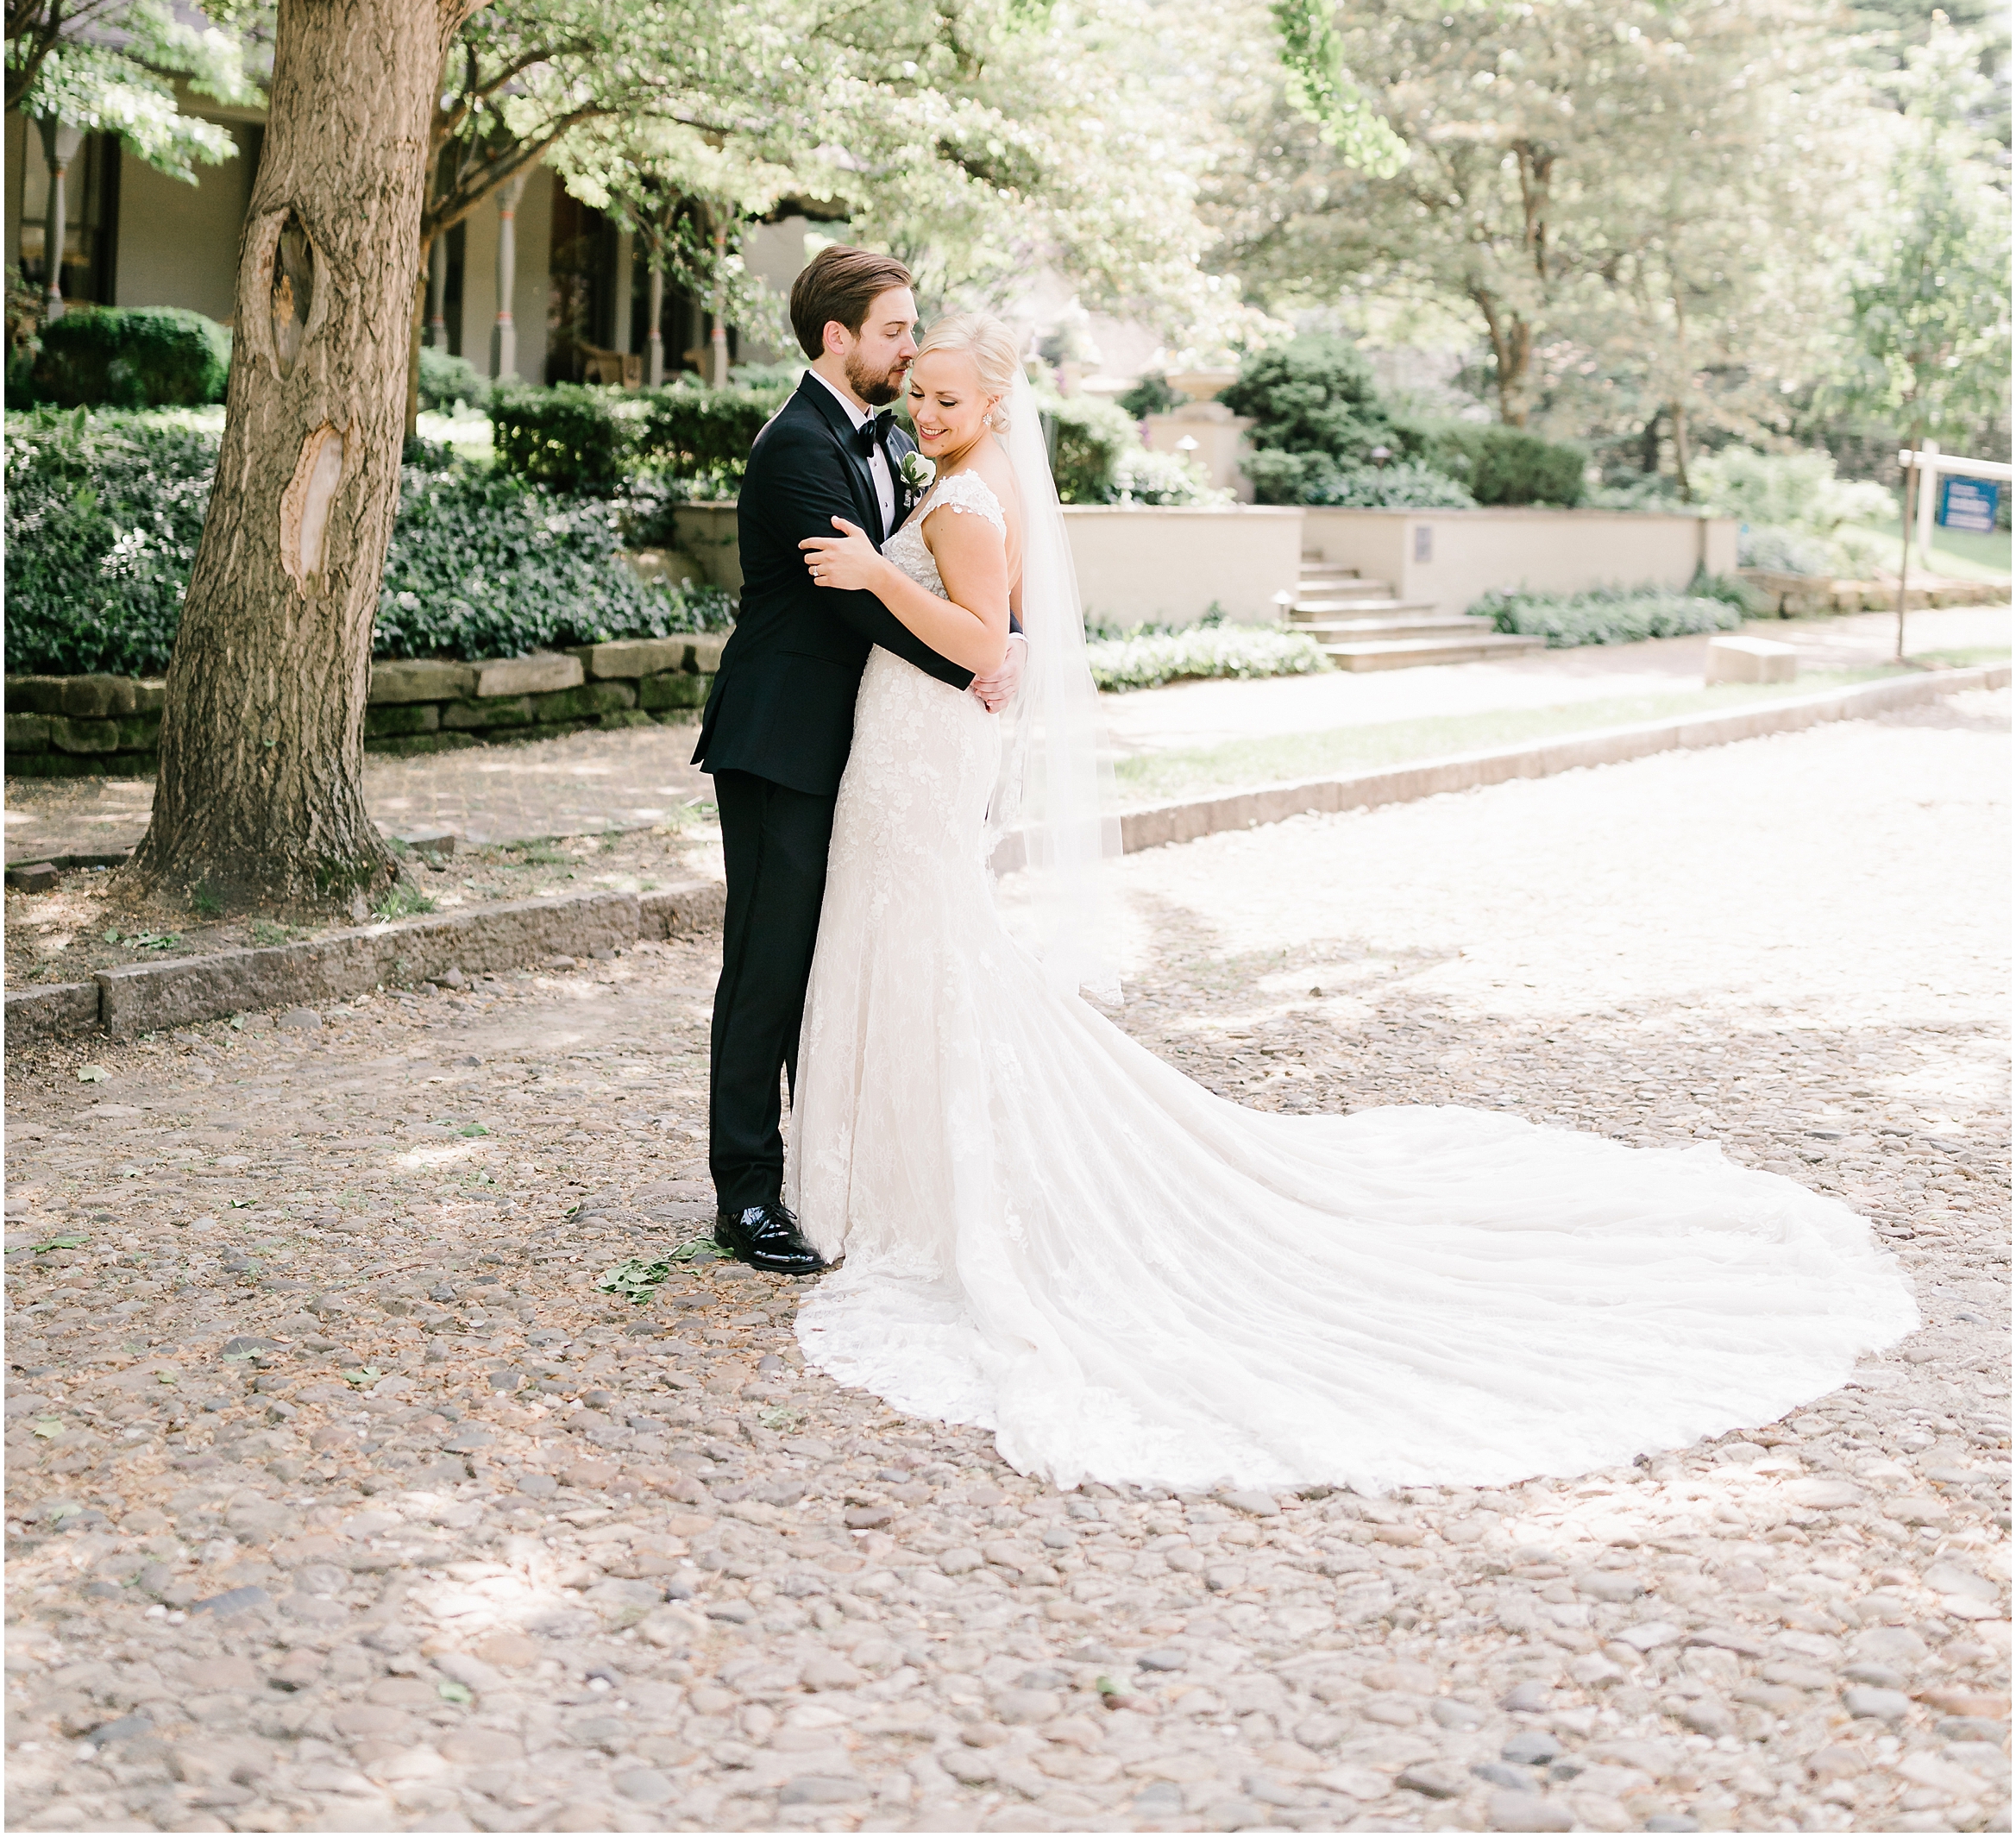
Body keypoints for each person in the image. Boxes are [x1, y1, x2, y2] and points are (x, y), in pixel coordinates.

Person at [786, 310, 1917, 1494]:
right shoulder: (969, 478)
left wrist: (872, 573)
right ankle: (898, 1170)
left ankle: (919, 1184)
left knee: (935, 945)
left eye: (948, 401)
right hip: (913, 754)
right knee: (923, 943)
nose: (926, 414)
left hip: (921, 754)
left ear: (998, 409)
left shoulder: (967, 500)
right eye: (920, 395)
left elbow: (980, 642)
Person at [694, 248, 1021, 1274]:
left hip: (852, 744)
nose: (911, 347)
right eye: (895, 331)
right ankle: (744, 1194)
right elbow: (851, 601)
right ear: (838, 338)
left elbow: (915, 574)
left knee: (827, 958)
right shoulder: (797, 444)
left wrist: (996, 640)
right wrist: (980, 657)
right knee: (766, 965)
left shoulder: (885, 439)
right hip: (781, 741)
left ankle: (825, 1169)